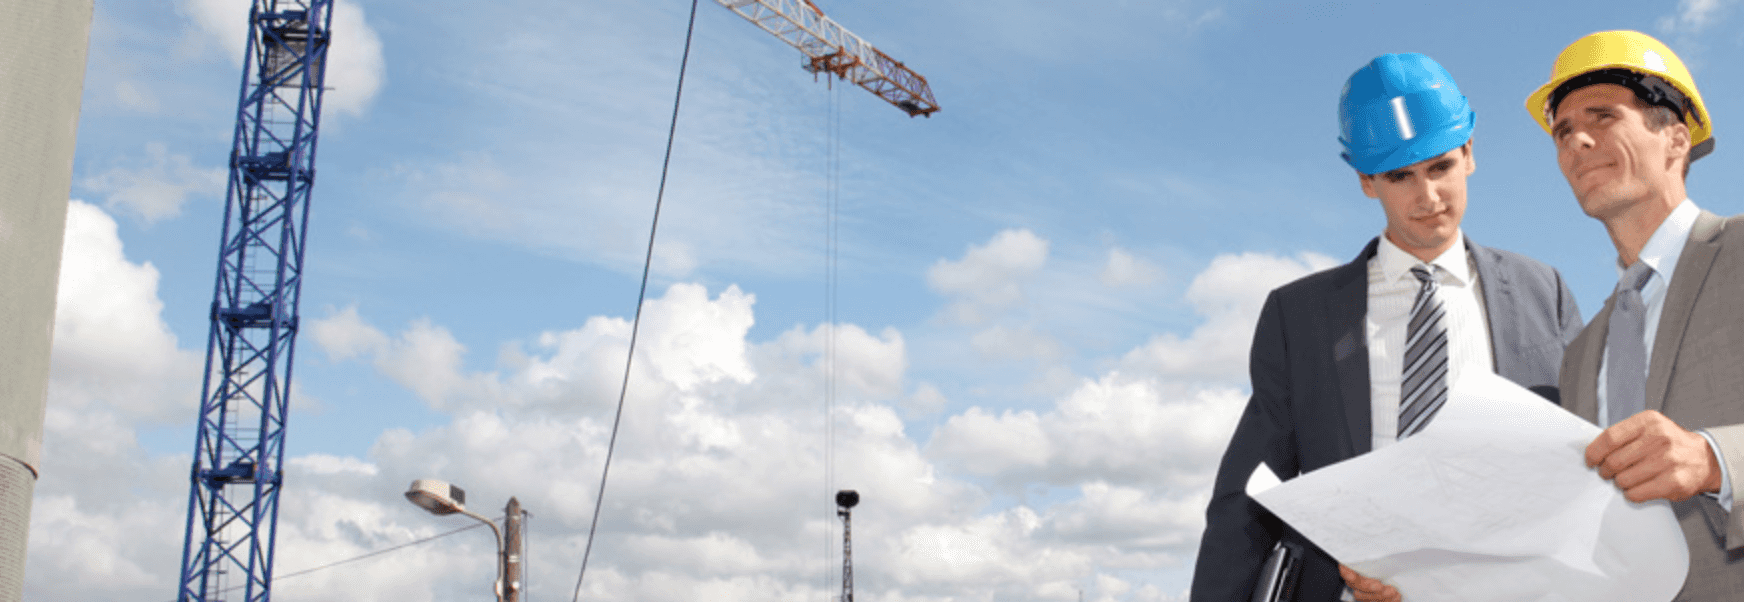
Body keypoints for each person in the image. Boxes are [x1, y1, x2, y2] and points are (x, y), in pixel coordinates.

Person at [1188, 53, 1584, 602]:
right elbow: (1247, 497)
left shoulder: (1546, 293)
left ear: (1469, 154)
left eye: (1440, 166)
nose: (1428, 197)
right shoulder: (1298, 316)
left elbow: (1579, 467)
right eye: (1401, 176)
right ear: (1367, 183)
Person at [1527, 30, 1744, 598]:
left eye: (1602, 116)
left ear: (1675, 138)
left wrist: (1717, 460)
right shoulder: (1581, 352)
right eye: (1563, 131)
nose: (1576, 141)